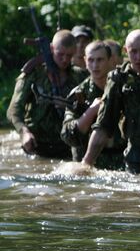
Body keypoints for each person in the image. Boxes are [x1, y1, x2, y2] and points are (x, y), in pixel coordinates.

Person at [82, 29, 140, 173]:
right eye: (133, 52)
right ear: (126, 51)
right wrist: (86, 162)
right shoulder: (119, 79)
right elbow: (104, 125)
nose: (138, 57)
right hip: (136, 160)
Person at [7, 29, 88, 159]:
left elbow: (91, 108)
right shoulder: (34, 75)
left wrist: (69, 107)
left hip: (68, 147)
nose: (65, 59)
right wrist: (24, 132)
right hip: (36, 146)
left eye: (69, 55)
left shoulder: (80, 76)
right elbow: (14, 110)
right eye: (60, 54)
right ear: (51, 48)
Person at [61, 41, 125, 169]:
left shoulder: (123, 89)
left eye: (100, 60)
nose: (95, 65)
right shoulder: (79, 93)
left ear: (110, 60)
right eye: (91, 60)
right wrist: (91, 111)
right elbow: (68, 136)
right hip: (87, 166)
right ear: (85, 61)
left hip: (120, 162)